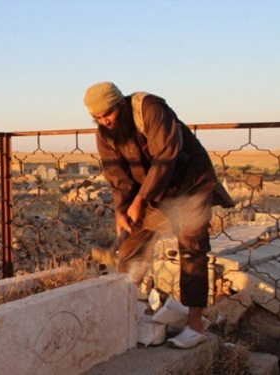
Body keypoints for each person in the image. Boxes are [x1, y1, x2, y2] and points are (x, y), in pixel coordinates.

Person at [83, 82, 234, 349]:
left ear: (121, 105)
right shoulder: (104, 135)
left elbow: (167, 155)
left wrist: (140, 200)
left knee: (191, 249)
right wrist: (122, 211)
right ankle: (125, 316)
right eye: (98, 117)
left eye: (108, 113)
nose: (104, 120)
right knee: (131, 247)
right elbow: (117, 177)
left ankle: (195, 326)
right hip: (152, 192)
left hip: (190, 185)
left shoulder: (149, 108)